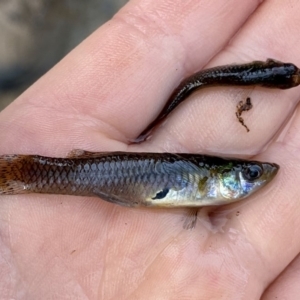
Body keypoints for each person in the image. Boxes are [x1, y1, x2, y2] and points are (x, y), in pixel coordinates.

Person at [0, 0, 299, 298]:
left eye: (253, 171)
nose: (262, 173)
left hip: (117, 177)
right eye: (252, 172)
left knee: (68, 174)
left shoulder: (210, 185)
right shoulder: (208, 183)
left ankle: (24, 173)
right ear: (220, 175)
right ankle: (24, 173)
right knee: (58, 173)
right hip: (117, 176)